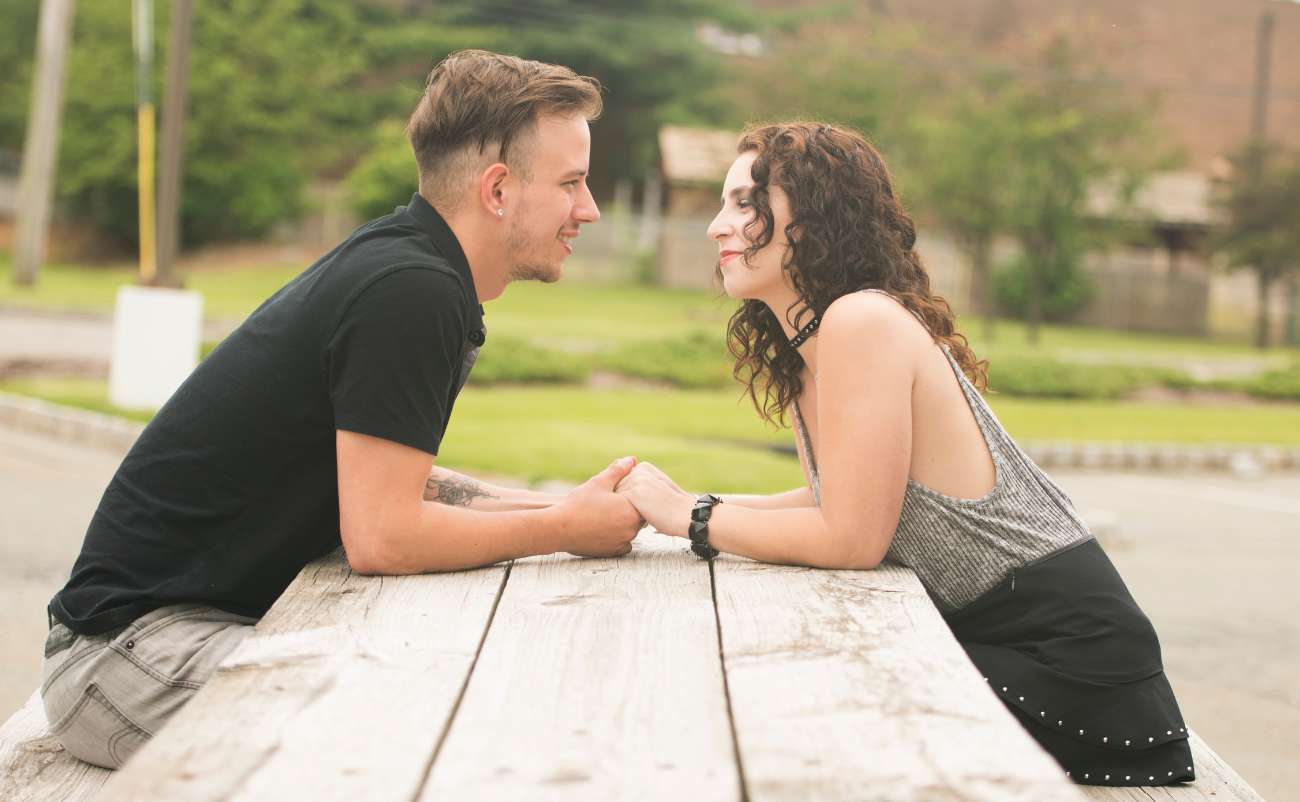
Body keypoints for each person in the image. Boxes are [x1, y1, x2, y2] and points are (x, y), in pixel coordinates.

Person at [41, 50, 642, 770]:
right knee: (423, 719)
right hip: (126, 657)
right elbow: (383, 536)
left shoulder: (412, 267)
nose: (590, 209)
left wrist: (559, 509)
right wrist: (563, 530)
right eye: (572, 183)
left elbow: (397, 483)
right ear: (498, 190)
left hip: (171, 640)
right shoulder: (411, 290)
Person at [614, 122, 1194, 787]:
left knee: (782, 707)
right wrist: (683, 503)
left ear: (817, 214)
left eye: (746, 203)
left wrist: (691, 517)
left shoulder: (863, 321)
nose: (718, 226)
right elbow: (840, 499)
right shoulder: (815, 341)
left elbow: (852, 537)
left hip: (1071, 670)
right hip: (1011, 645)